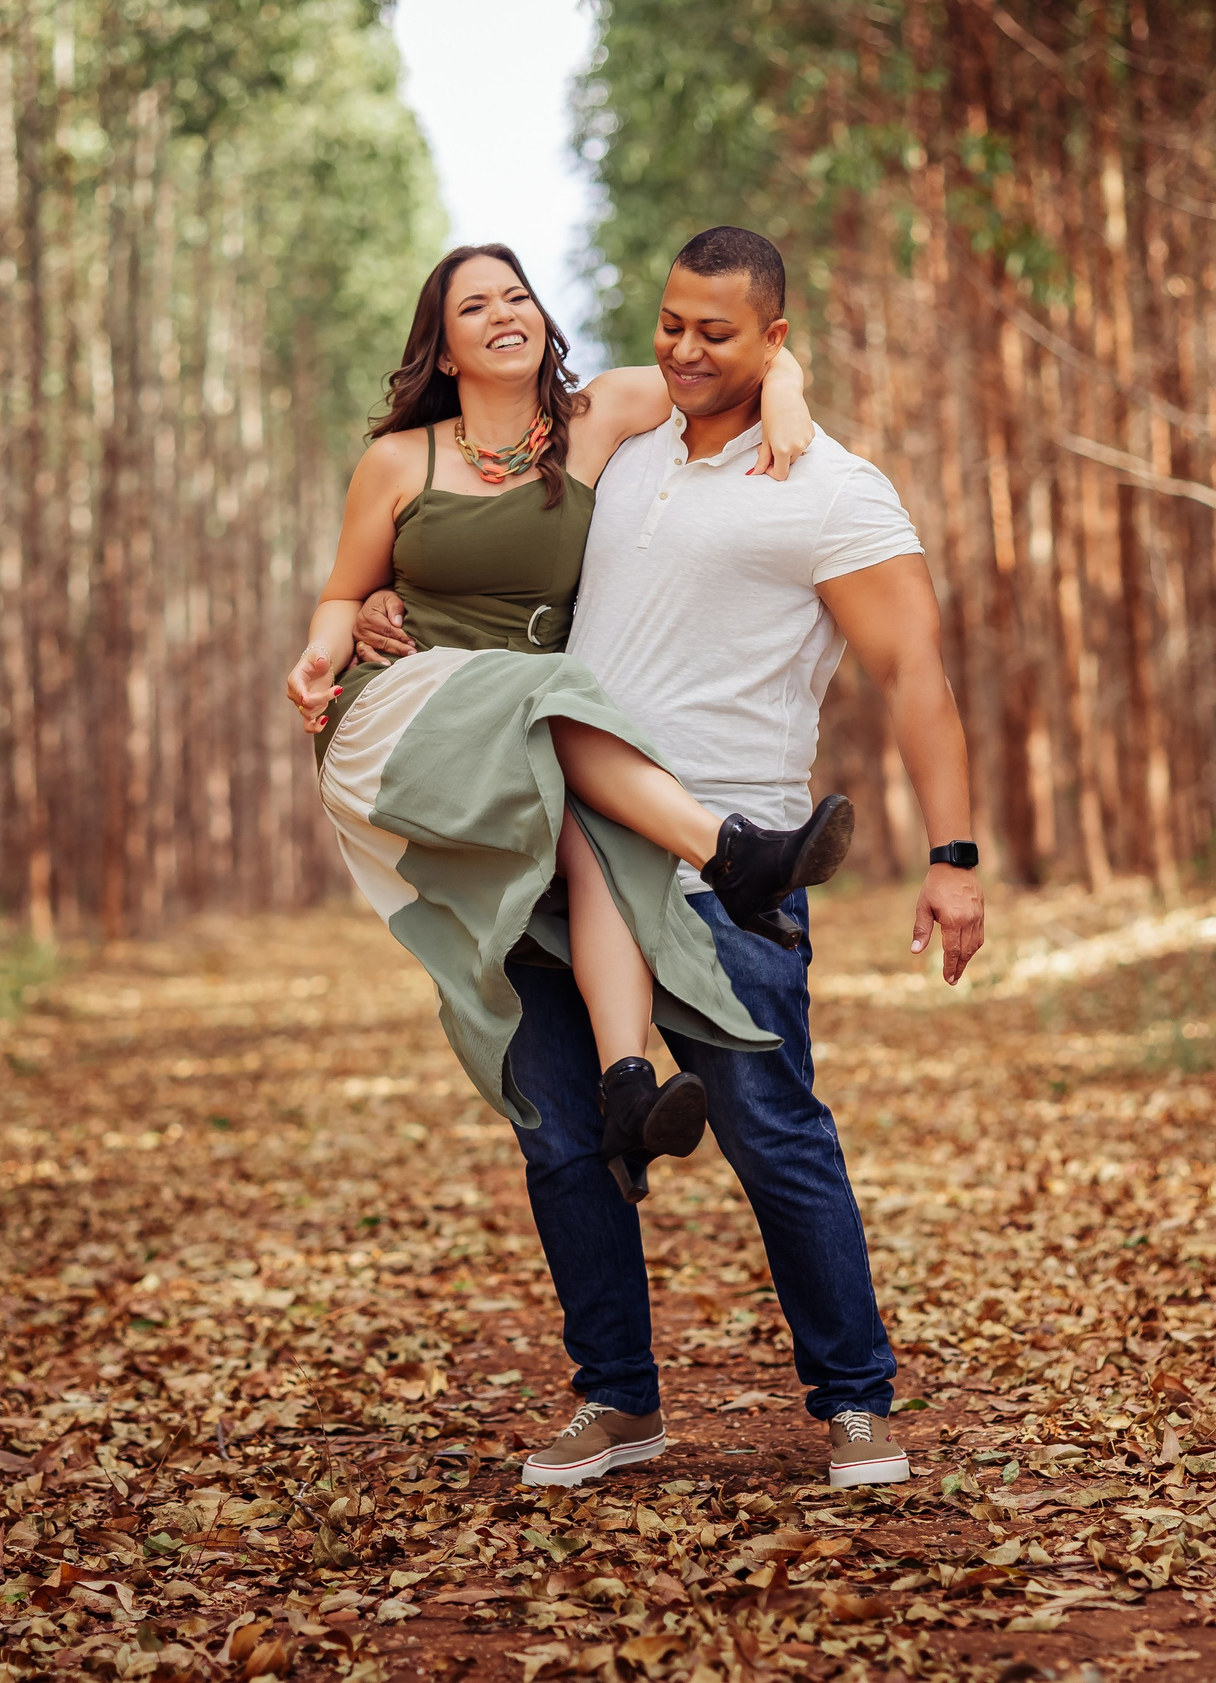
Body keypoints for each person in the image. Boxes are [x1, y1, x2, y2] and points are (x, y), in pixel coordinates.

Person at [352, 227, 986, 1491]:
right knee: (561, 1136)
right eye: (671, 325)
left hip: (727, 854)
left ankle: (856, 1401)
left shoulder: (830, 486)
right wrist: (384, 605)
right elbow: (484, 545)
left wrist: (953, 853)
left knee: (772, 1131)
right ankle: (617, 1402)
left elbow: (915, 671)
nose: (686, 351)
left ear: (776, 342)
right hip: (549, 848)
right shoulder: (617, 446)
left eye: (720, 334)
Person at [284, 244, 860, 1208]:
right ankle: (730, 851)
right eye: (475, 306)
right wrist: (321, 648)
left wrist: (790, 387)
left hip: (533, 724)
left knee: (603, 837)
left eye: (518, 295)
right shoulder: (399, 459)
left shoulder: (595, 421)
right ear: (447, 348)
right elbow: (343, 594)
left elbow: (730, 357)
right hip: (397, 711)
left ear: (544, 320)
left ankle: (626, 1082)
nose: (503, 312)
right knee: (550, 696)